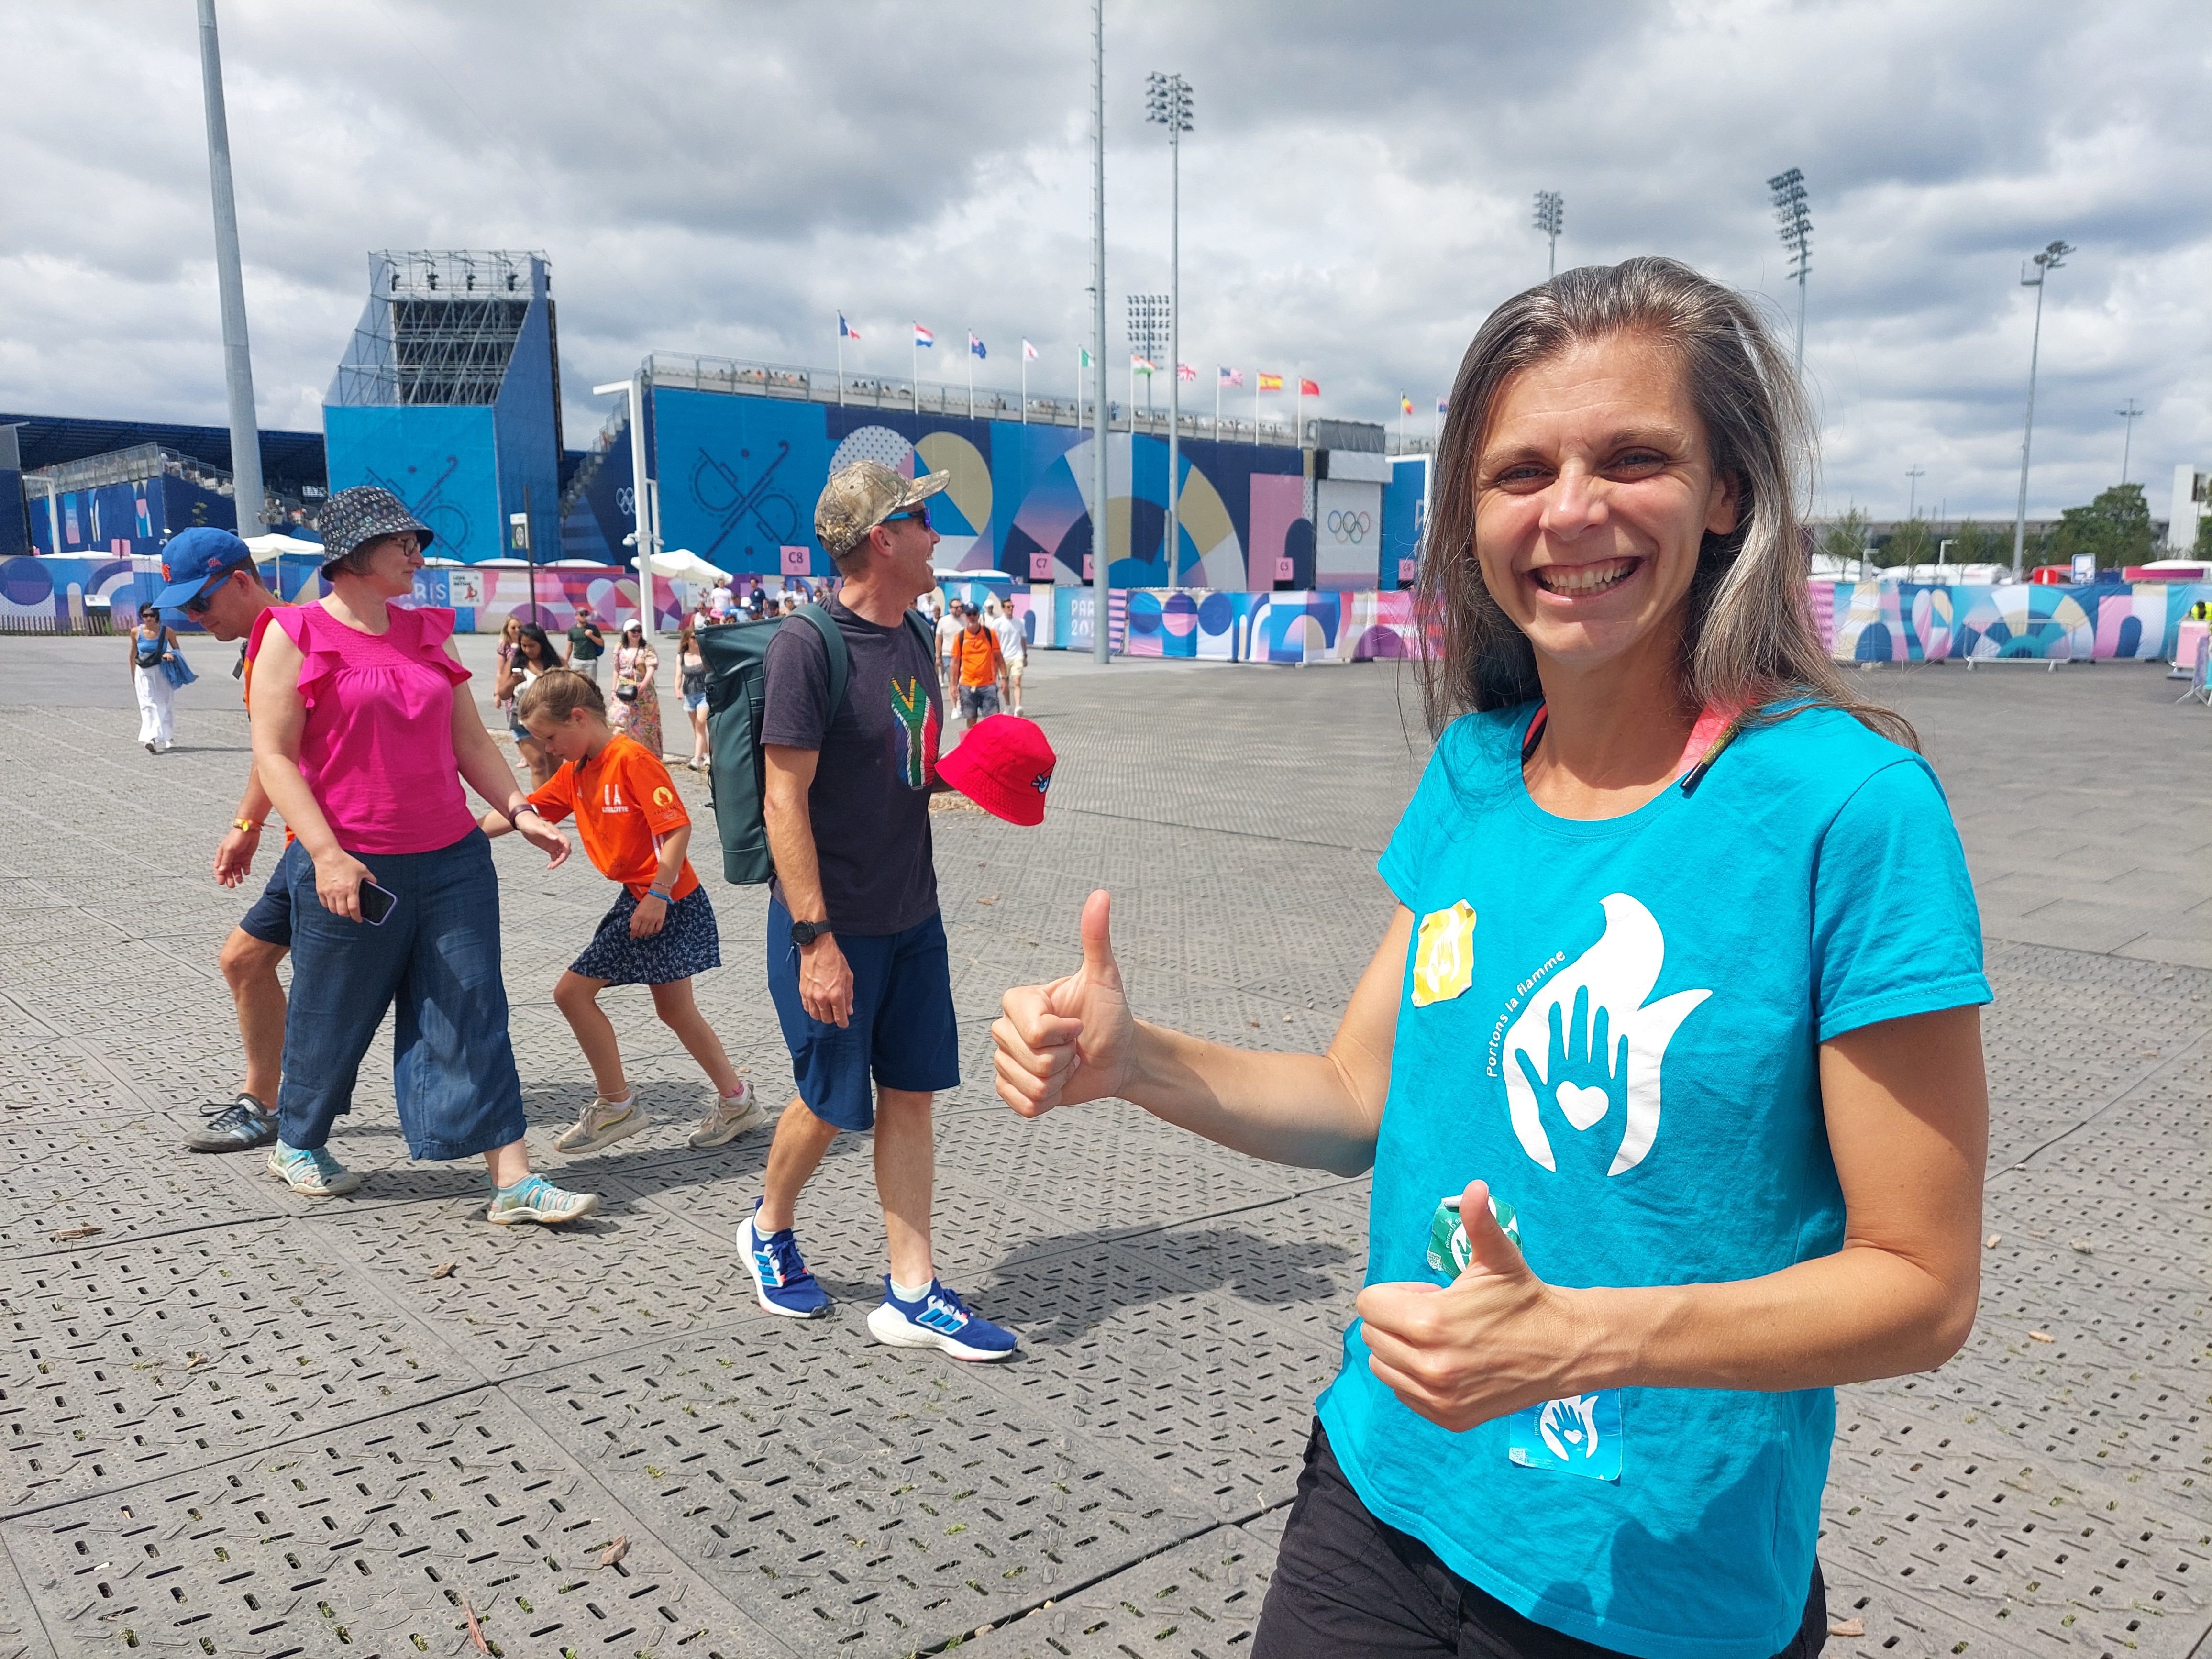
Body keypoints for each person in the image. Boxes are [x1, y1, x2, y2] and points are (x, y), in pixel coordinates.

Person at [992, 258, 1991, 1659]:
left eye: (1630, 456)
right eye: (1519, 470)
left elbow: (1918, 1283)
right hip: (1381, 1489)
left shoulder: (1845, 808)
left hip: (1650, 1585)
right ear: (1467, 514)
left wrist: (1586, 1338)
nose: (1569, 509)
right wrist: (1136, 1059)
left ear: (1724, 493)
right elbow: (1356, 1094)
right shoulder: (1470, 772)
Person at [249, 485, 597, 1224]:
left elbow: (469, 741)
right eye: (399, 541)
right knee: (333, 1011)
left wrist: (519, 809)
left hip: (452, 859)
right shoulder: (293, 631)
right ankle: (299, 1141)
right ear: (350, 554)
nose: (417, 552)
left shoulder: (426, 633)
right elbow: (274, 757)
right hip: (353, 864)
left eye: (417, 541)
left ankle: (512, 1178)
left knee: (473, 1007)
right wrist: (326, 855)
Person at [744, 459, 1017, 1360]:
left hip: (913, 913)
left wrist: (970, 774)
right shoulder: (804, 644)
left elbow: (904, 763)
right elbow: (784, 800)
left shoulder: (918, 632)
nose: (939, 534)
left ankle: (911, 1289)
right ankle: (767, 1226)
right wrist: (814, 938)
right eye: (923, 518)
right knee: (828, 1099)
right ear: (881, 538)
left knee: (910, 1093)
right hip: (835, 921)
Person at [486, 667, 767, 1152]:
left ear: (578, 717)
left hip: (662, 900)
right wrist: (452, 839)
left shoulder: (630, 757)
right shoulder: (578, 771)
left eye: (551, 737)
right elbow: (523, 813)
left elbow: (677, 828)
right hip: (649, 898)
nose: (548, 749)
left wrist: (658, 894)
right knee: (677, 1011)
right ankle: (737, 1100)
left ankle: (616, 1106)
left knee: (572, 995)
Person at [143, 528, 294, 1152]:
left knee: (253, 962)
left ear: (239, 579)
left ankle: (272, 1104)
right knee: (249, 961)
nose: (193, 618)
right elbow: (273, 753)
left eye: (200, 604)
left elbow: (282, 750)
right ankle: (273, 1097)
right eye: (184, 609)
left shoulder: (290, 638)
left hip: (335, 842)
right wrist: (246, 827)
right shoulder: (268, 640)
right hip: (310, 841)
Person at [496, 622, 565, 788]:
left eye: (532, 646)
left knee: (555, 768)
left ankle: (555, 806)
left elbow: (570, 687)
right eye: (524, 646)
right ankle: (541, 809)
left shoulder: (556, 662)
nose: (528, 650)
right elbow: (503, 693)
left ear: (542, 644)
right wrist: (512, 682)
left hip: (552, 721)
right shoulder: (515, 662)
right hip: (523, 721)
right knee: (539, 765)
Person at [128, 602, 184, 753]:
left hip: (162, 669)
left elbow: (177, 650)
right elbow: (133, 654)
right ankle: (151, 738)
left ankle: (168, 737)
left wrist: (170, 654)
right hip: (143, 671)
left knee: (164, 704)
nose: (148, 619)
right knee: (147, 704)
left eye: (152, 615)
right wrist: (133, 674)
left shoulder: (167, 632)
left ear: (157, 617)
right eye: (145, 616)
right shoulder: (136, 632)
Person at [608, 618, 664, 758]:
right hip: (624, 690)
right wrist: (613, 690)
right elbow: (616, 670)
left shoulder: (646, 649)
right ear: (627, 632)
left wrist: (645, 682)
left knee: (645, 726)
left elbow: (651, 667)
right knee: (618, 718)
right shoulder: (620, 648)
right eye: (634, 631)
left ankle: (646, 754)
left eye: (639, 631)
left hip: (643, 694)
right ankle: (621, 750)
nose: (637, 633)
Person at [950, 602, 1005, 733]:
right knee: (970, 718)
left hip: (988, 684)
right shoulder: (960, 637)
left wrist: (1005, 678)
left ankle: (991, 744)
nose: (972, 617)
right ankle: (972, 745)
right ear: (964, 616)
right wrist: (953, 685)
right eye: (969, 614)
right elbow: (955, 662)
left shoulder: (989, 634)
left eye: (974, 614)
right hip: (968, 685)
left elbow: (999, 657)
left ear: (978, 615)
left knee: (992, 719)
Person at [677, 619, 711, 769]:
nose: (696, 640)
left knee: (701, 723)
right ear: (687, 640)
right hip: (689, 694)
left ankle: (696, 760)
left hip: (704, 692)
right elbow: (678, 675)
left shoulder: (704, 654)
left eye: (698, 637)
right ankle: (708, 754)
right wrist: (677, 689)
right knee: (697, 729)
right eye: (693, 637)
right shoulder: (682, 656)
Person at [985, 595, 1026, 716]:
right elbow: (991, 640)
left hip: (1017, 655)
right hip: (1002, 658)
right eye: (1008, 607)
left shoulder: (1020, 622)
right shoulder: (997, 623)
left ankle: (1018, 706)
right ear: (1003, 609)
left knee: (1017, 681)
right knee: (1005, 685)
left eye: (1012, 606)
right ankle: (1008, 705)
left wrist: (1025, 655)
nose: (1011, 609)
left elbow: (1023, 639)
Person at [491, 614, 523, 723]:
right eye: (513, 628)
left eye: (519, 627)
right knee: (514, 719)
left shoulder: (526, 643)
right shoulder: (505, 646)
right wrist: (497, 694)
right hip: (510, 685)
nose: (517, 630)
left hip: (525, 684)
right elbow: (500, 672)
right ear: (507, 630)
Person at [566, 603, 607, 681]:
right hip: (577, 661)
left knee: (591, 685)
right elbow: (569, 648)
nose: (584, 616)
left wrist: (591, 636)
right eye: (582, 614)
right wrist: (566, 661)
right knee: (575, 683)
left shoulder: (593, 628)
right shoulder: (572, 630)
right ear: (576, 616)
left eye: (586, 614)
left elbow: (601, 643)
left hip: (591, 661)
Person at [934, 596, 962, 685]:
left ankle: (961, 698)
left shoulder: (966, 620)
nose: (959, 609)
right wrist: (938, 657)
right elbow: (938, 640)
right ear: (950, 609)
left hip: (964, 656)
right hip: (948, 655)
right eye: (956, 607)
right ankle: (955, 699)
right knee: (953, 681)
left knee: (963, 682)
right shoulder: (943, 621)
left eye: (961, 607)